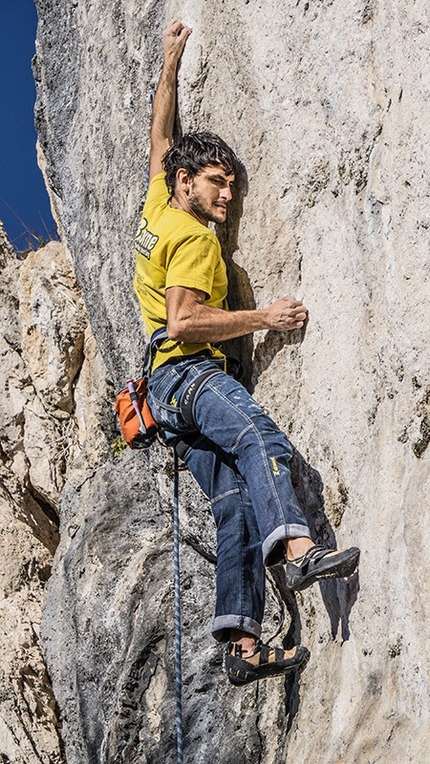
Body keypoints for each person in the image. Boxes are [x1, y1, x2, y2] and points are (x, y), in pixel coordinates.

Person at [134, 20, 360, 687]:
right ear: (186, 184)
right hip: (187, 374)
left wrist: (170, 65)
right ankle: (296, 547)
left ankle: (240, 640)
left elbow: (159, 138)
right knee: (262, 438)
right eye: (215, 183)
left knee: (231, 500)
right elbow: (183, 321)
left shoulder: (156, 207)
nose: (227, 198)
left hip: (163, 400)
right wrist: (265, 316)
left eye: (230, 184)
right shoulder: (196, 239)